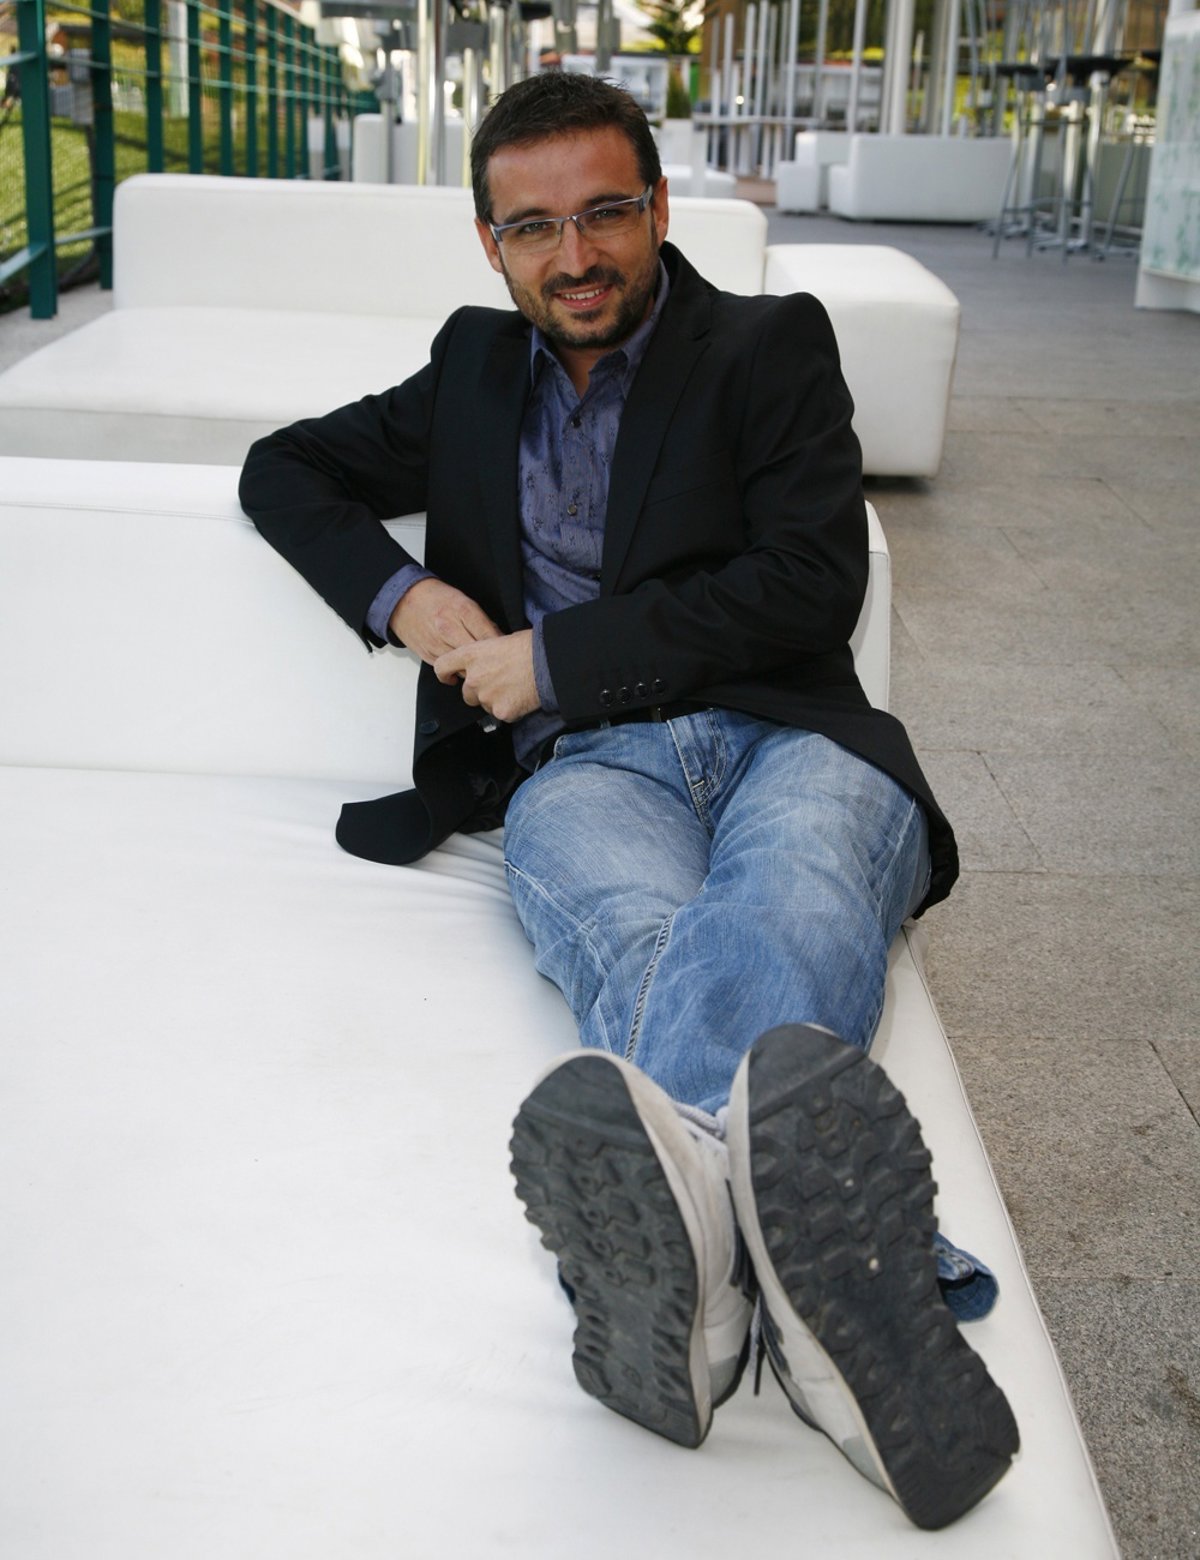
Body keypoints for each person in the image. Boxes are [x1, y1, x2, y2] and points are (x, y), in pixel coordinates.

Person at [239, 71, 1018, 1530]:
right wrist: (407, 601)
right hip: (587, 769)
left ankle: (708, 1303)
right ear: (491, 243)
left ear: (658, 207)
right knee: (646, 934)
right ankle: (834, 1316)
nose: (575, 254)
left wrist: (554, 657)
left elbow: (811, 582)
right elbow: (283, 471)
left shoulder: (769, 346)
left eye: (604, 212)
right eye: (534, 228)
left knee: (781, 901)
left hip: (794, 737)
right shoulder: (473, 367)